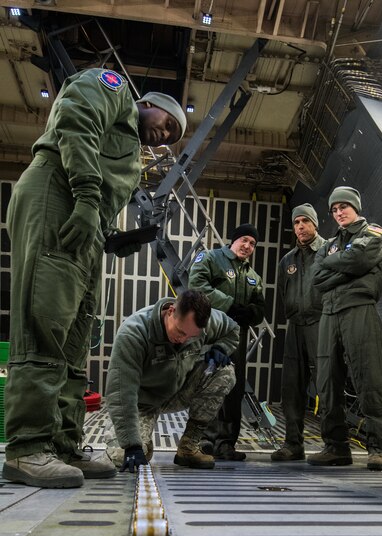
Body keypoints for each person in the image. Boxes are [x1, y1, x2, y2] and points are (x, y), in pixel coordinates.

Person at [2, 68, 187, 489]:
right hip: (58, 194)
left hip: (86, 224)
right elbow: (75, 119)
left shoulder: (130, 151)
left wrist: (111, 235)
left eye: (173, 136)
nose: (166, 135)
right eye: (168, 124)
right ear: (150, 104)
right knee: (45, 319)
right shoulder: (115, 91)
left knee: (76, 336)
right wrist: (87, 195)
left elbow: (101, 187)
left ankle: (63, 445)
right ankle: (27, 448)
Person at [103, 290, 238, 471]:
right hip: (141, 402)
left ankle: (188, 448)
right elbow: (120, 392)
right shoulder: (134, 332)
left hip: (179, 391)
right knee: (123, 456)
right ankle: (142, 442)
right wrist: (132, 445)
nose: (183, 340)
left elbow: (232, 328)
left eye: (191, 337)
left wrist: (222, 347)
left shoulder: (203, 323)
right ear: (171, 311)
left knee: (224, 371)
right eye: (180, 332)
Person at [308, 186, 382, 470]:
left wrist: (335, 268)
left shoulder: (372, 233)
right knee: (327, 383)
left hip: (359, 309)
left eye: (343, 206)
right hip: (330, 314)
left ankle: (378, 448)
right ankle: (336, 447)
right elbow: (317, 279)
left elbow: (359, 259)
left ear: (355, 207)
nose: (339, 212)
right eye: (334, 209)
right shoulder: (329, 244)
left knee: (369, 378)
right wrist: (345, 270)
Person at [188, 223, 266, 460]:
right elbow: (197, 285)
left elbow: (260, 307)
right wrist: (229, 305)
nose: (248, 246)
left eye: (252, 243)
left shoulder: (253, 277)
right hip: (211, 332)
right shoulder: (211, 258)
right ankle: (203, 440)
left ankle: (226, 443)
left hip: (237, 337)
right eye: (244, 240)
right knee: (208, 382)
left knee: (234, 387)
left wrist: (251, 312)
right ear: (233, 240)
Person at [272, 204, 326, 462]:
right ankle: (293, 444)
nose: (300, 226)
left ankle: (334, 445)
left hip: (322, 324)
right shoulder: (287, 261)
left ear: (315, 224)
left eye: (305, 221)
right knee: (291, 388)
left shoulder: (328, 252)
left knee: (327, 385)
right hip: (296, 327)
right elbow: (284, 294)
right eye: (296, 222)